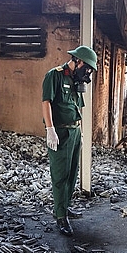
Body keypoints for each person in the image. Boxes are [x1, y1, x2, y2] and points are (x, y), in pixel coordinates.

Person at [41, 45, 98, 237]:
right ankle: (60, 216)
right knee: (60, 175)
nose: (88, 71)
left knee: (72, 173)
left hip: (74, 131)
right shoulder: (54, 75)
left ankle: (65, 207)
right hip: (61, 132)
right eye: (87, 67)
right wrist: (50, 129)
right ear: (78, 61)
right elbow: (46, 102)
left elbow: (76, 105)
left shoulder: (76, 79)